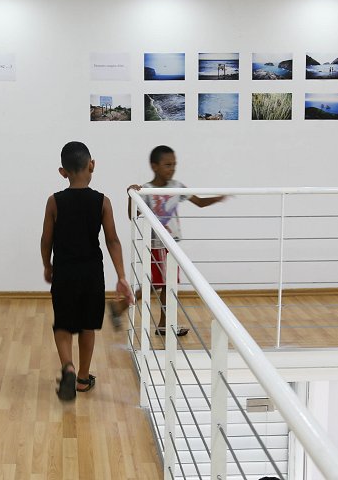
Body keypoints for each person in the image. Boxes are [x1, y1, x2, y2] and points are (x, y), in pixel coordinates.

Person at [41, 141, 134, 401]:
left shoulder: (54, 202)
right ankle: (82, 378)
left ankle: (67, 366)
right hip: (92, 273)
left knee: (63, 324)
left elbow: (46, 240)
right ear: (92, 165)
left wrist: (47, 265)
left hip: (64, 272)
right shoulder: (102, 202)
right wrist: (121, 277)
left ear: (63, 172)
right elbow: (112, 240)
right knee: (86, 326)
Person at [110, 145, 226, 336]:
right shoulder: (146, 190)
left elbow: (199, 202)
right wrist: (131, 194)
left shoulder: (177, 187)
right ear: (154, 166)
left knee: (163, 285)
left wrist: (219, 198)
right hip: (158, 246)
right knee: (159, 285)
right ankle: (122, 308)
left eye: (174, 165)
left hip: (171, 246)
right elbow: (132, 215)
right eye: (167, 165)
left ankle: (163, 324)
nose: (172, 169)